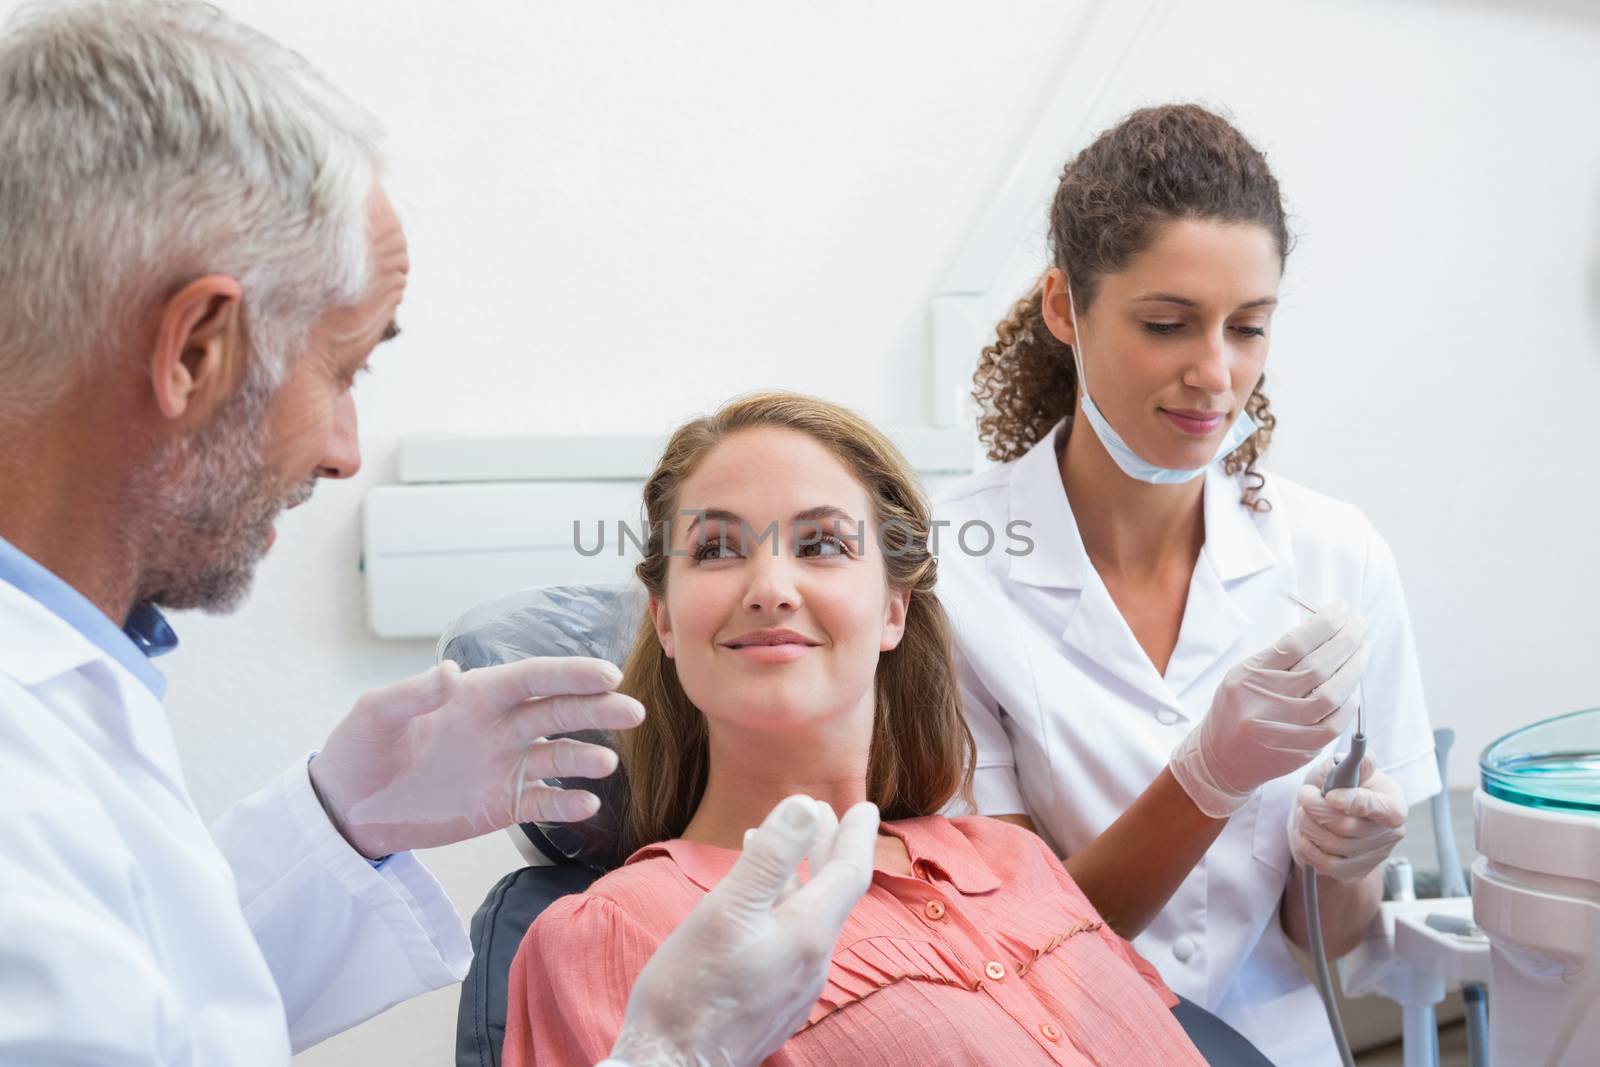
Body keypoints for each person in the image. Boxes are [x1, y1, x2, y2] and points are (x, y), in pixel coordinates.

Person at [0, 4, 873, 1065]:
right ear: (194, 348)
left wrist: (337, 820)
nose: (345, 449)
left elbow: (156, 999)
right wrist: (670, 1049)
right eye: (344, 367)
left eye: (824, 544)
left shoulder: (65, 689)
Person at [933, 104, 1438, 1066]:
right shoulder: (948, 569)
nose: (1216, 373)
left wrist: (1347, 860)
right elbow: (1018, 941)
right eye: (1166, 324)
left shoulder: (1337, 555)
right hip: (1051, 1041)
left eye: (1248, 328)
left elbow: (1326, 941)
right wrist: (1207, 777)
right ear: (1062, 308)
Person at [504, 391, 1208, 1066]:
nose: (771, 587)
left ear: (893, 610)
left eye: (821, 545)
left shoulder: (1009, 861)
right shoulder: (622, 928)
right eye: (716, 549)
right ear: (663, 619)